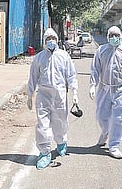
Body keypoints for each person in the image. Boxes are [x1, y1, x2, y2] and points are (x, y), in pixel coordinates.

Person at [27, 28, 79, 170]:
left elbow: (71, 75)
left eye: (53, 38)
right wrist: (29, 95)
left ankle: (61, 142)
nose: (51, 41)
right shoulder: (39, 58)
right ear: (44, 41)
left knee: (60, 122)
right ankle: (44, 152)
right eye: (48, 38)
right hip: (43, 95)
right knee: (43, 125)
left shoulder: (64, 56)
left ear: (57, 39)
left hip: (60, 95)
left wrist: (75, 92)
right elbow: (33, 77)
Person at [89, 26, 122, 159]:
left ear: (120, 36)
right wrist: (92, 85)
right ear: (108, 37)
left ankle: (114, 145)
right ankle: (105, 131)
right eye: (112, 35)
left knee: (119, 118)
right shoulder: (101, 50)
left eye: (116, 35)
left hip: (121, 88)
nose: (114, 38)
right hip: (104, 88)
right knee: (101, 115)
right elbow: (95, 69)